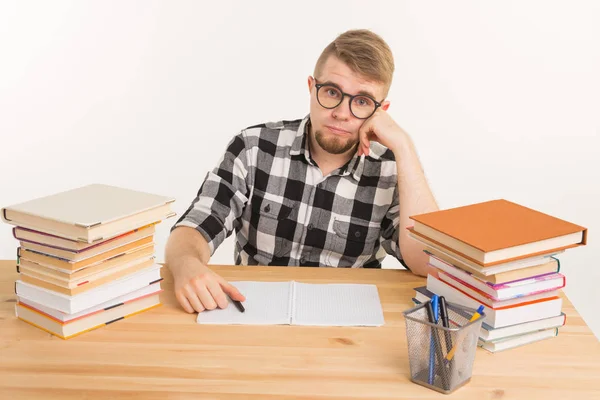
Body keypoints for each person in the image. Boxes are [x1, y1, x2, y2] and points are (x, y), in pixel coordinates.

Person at [165, 29, 439, 314]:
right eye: (332, 92)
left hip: (348, 325)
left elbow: (429, 263)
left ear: (381, 110)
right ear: (311, 87)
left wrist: (404, 148)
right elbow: (196, 226)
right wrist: (187, 265)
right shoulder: (253, 147)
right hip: (254, 315)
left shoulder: (390, 170)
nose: (342, 113)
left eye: (362, 101)